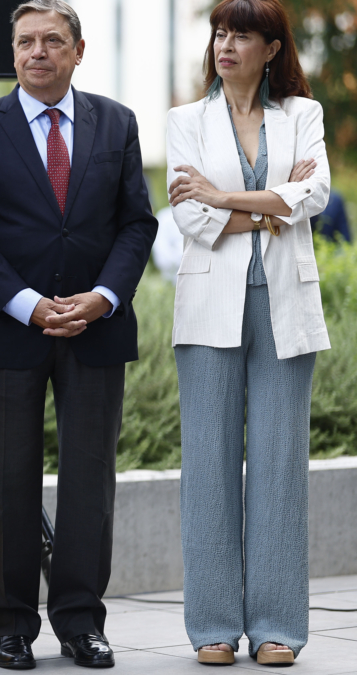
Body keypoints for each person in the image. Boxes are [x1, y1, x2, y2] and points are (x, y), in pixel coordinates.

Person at [0, 0, 157, 669]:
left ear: (78, 50)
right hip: (9, 330)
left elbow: (136, 224)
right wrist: (30, 304)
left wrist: (102, 298)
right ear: (12, 53)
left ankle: (80, 621)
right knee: (4, 483)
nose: (38, 51)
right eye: (26, 42)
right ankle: (9, 623)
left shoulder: (116, 123)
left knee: (90, 480)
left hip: (97, 328)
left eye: (52, 41)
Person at [165, 0, 329, 665]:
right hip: (210, 308)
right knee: (206, 462)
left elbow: (313, 197)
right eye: (220, 32)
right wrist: (271, 208)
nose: (226, 44)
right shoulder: (185, 121)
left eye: (241, 35)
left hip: (285, 305)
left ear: (270, 48)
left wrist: (227, 198)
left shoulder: (304, 116)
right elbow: (187, 216)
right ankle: (212, 624)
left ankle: (276, 628)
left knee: (279, 462)